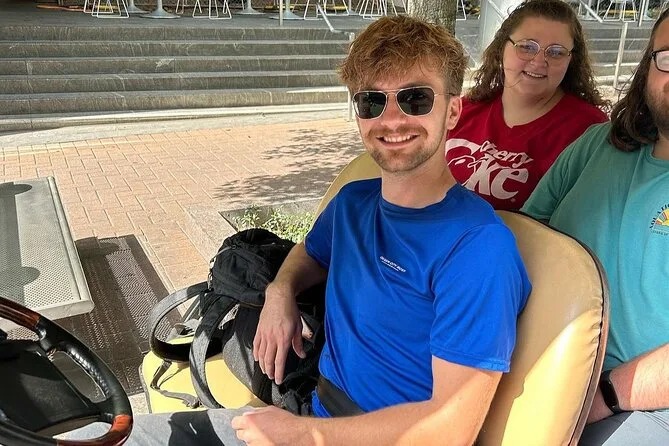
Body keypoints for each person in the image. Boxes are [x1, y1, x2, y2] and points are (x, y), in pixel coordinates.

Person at [64, 16, 530, 445]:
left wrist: (307, 435)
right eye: (371, 101)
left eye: (415, 99)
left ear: (453, 112)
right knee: (91, 436)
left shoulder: (477, 249)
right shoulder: (354, 203)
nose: (391, 119)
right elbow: (311, 253)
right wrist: (280, 291)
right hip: (311, 411)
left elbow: (451, 428)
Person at [522, 8, 669, 445]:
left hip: (641, 403)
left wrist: (602, 395)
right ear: (648, 68)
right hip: (537, 361)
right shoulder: (598, 144)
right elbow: (525, 233)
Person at [446, 0, 609, 210]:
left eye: (556, 52)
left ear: (571, 61)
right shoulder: (464, 110)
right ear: (501, 48)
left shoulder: (588, 131)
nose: (539, 61)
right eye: (526, 47)